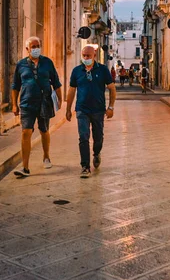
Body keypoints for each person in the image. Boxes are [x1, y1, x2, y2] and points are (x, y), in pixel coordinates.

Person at [12, 36, 62, 177]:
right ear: (27, 49)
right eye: (33, 47)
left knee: (44, 130)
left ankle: (46, 156)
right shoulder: (21, 65)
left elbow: (56, 82)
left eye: (37, 46)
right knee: (25, 132)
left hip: (44, 102)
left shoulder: (47, 63)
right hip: (27, 103)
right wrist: (14, 104)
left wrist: (60, 99)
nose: (36, 49)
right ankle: (25, 167)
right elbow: (15, 86)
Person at [66, 45, 116, 178]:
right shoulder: (77, 71)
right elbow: (71, 90)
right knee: (83, 137)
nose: (86, 58)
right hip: (82, 109)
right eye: (84, 56)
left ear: (94, 55)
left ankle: (96, 152)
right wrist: (68, 109)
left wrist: (110, 107)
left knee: (98, 137)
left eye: (88, 56)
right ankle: (85, 166)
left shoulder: (103, 70)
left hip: (98, 110)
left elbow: (112, 89)